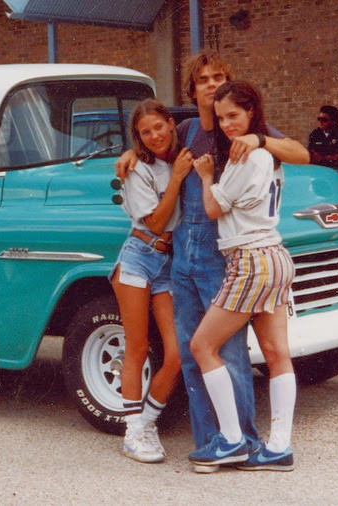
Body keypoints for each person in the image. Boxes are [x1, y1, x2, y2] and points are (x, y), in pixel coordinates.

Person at [115, 50, 308, 473]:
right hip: (183, 253)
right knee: (190, 351)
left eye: (217, 77)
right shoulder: (184, 129)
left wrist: (261, 139)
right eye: (202, 79)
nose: (210, 84)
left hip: (223, 253)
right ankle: (213, 441)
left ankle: (241, 441)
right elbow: (155, 149)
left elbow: (299, 153)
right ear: (192, 89)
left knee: (226, 350)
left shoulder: (239, 126)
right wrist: (131, 156)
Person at [188, 80, 296, 472]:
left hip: (250, 259)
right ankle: (279, 446)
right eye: (220, 118)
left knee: (202, 346)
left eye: (234, 115)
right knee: (276, 354)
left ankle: (232, 440)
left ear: (252, 111)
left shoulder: (246, 156)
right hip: (276, 255)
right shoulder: (268, 153)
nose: (227, 124)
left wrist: (204, 177)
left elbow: (214, 208)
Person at [111, 99, 188, 463]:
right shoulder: (138, 168)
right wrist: (174, 180)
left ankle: (148, 422)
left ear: (171, 123)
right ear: (138, 138)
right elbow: (155, 223)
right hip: (139, 257)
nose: (155, 135)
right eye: (145, 132)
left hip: (169, 263)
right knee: (137, 346)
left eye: (159, 126)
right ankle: (132, 432)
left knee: (177, 353)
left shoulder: (183, 156)